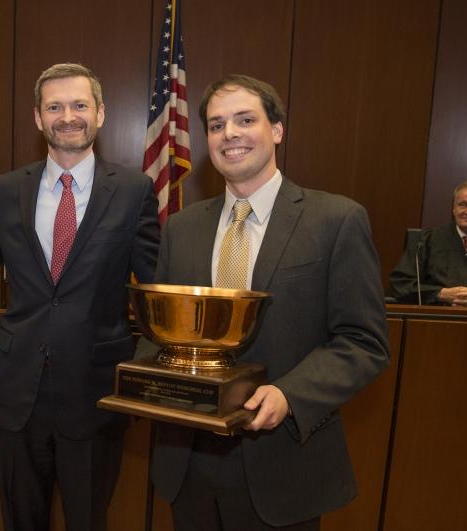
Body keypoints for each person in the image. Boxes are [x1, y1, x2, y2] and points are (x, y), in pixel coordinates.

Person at [142, 74, 389, 530]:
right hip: (188, 464)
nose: (229, 134)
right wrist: (138, 381)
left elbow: (362, 341)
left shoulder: (336, 220)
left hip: (282, 464)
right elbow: (163, 334)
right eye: (216, 125)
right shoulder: (182, 227)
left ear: (276, 130)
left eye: (244, 120)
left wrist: (289, 396)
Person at [0, 63, 160, 531]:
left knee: (88, 520)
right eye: (54, 106)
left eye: (78, 105)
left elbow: (153, 287)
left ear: (101, 113)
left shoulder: (134, 191)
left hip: (95, 393)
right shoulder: (8, 189)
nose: (66, 116)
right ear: (37, 118)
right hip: (16, 394)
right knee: (20, 520)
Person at [389, 180, 467, 305]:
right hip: (435, 318)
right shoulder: (427, 240)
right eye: (463, 205)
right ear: (453, 209)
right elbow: (400, 284)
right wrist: (440, 294)